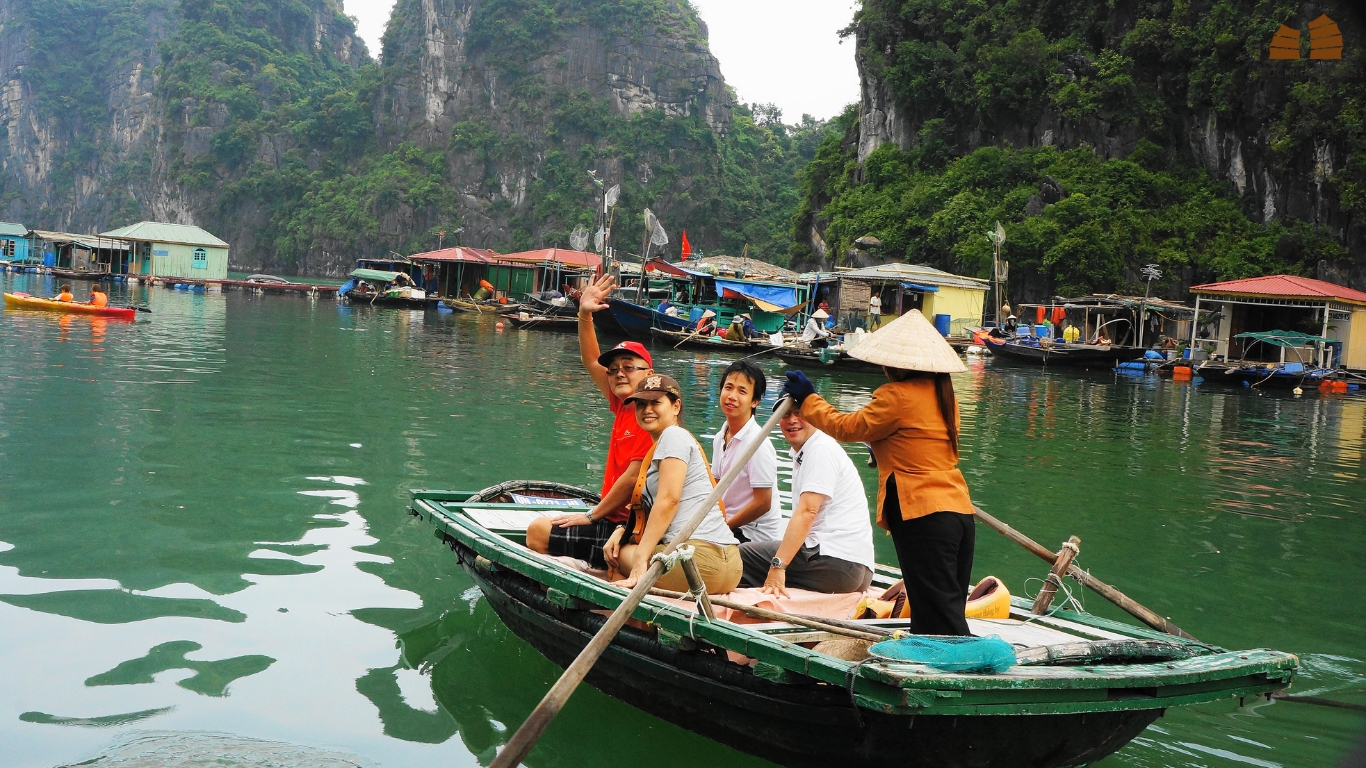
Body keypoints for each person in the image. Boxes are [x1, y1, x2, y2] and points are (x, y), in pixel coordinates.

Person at [780, 309, 976, 636]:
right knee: (945, 610)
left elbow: (845, 427)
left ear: (894, 365)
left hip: (921, 512)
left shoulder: (895, 396)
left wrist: (810, 399)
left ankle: (945, 674)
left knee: (934, 615)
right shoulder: (945, 396)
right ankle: (943, 665)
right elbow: (914, 441)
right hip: (957, 510)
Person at [524, 274, 654, 571]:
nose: (619, 373)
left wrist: (593, 515)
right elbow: (591, 359)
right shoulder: (624, 405)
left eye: (629, 368)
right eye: (614, 369)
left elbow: (634, 479)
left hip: (628, 526)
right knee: (547, 527)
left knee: (538, 532)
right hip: (612, 517)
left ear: (648, 374)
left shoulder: (651, 416)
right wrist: (584, 314)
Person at [603, 374, 742, 593]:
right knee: (622, 546)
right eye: (641, 404)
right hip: (730, 566)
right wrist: (622, 529)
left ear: (676, 406)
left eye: (655, 403)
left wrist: (640, 561)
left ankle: (629, 615)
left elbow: (669, 500)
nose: (647, 409)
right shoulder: (669, 443)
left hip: (696, 564)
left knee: (617, 554)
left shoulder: (672, 436)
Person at [739, 409, 875, 595]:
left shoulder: (820, 449)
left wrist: (777, 566)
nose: (792, 420)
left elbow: (807, 512)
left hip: (838, 563)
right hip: (858, 568)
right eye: (785, 415)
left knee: (735, 558)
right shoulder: (808, 451)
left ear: (814, 415)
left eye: (799, 413)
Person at [712, 361, 782, 543]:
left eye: (742, 391)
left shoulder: (758, 444)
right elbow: (715, 488)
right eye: (728, 387)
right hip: (728, 525)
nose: (732, 396)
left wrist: (724, 526)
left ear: (755, 401)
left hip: (753, 535)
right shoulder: (720, 437)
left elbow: (763, 503)